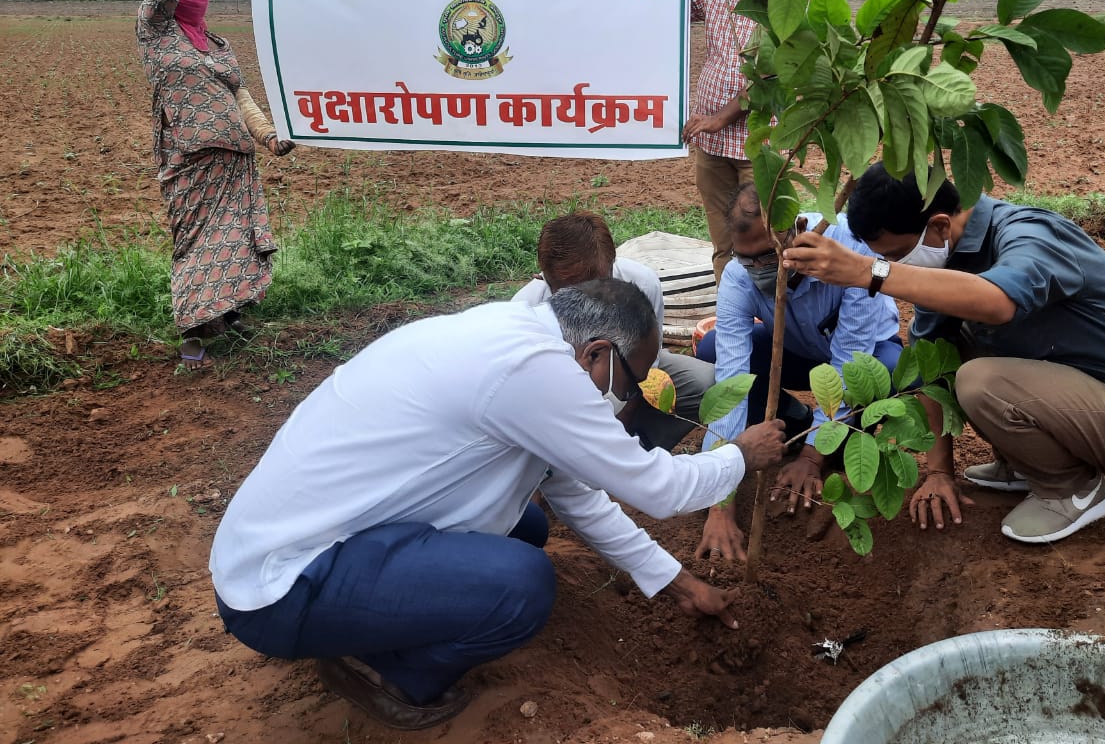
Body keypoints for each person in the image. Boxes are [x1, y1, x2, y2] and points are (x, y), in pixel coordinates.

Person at [209, 279, 785, 731]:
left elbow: (577, 497)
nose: (628, 399)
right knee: (520, 583)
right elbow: (659, 490)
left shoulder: (511, 334)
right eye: (631, 384)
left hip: (298, 541)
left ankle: (361, 624)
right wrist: (739, 455)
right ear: (597, 353)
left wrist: (679, 583)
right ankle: (389, 673)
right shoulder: (533, 371)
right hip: (279, 588)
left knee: (526, 526)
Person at [782, 162, 1105, 544]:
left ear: (940, 226)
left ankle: (1072, 490)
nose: (890, 264)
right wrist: (938, 472)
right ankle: (1027, 463)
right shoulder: (943, 267)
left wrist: (866, 272)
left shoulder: (1028, 234)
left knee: (979, 380)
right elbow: (930, 366)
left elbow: (998, 301)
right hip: (1088, 406)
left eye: (894, 255)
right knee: (948, 359)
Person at [693, 183, 903, 561]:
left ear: (798, 229)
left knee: (883, 371)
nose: (758, 270)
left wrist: (811, 458)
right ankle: (797, 419)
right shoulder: (738, 279)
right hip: (798, 355)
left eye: (767, 257)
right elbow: (731, 380)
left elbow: (848, 360)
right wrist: (719, 502)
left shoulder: (850, 251)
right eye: (747, 259)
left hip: (865, 354)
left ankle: (850, 436)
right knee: (712, 349)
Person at [136, 0, 294, 369]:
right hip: (190, 159)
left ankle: (229, 314)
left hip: (236, 160)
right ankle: (192, 333)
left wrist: (268, 136)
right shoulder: (156, 31)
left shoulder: (219, 47)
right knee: (195, 244)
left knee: (237, 240)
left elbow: (239, 94)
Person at [512, 211, 716, 450]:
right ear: (545, 277)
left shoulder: (642, 283)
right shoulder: (525, 313)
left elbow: (648, 367)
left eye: (592, 287)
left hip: (630, 379)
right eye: (565, 292)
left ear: (611, 265)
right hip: (559, 403)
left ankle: (643, 446)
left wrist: (621, 436)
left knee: (704, 382)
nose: (579, 302)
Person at [674, 0, 756, 283]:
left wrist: (720, 118)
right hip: (711, 143)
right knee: (724, 241)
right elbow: (661, 4)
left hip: (759, 142)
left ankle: (771, 317)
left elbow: (775, 76)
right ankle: (732, 317)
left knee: (763, 236)